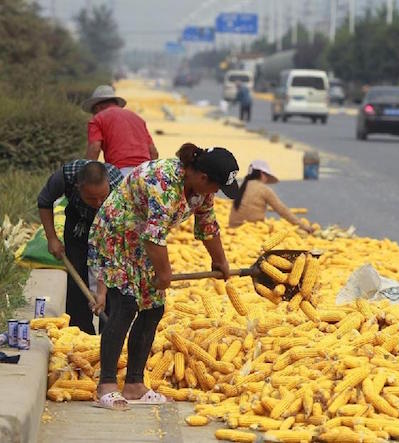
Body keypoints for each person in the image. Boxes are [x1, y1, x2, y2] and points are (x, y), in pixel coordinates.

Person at [88, 143, 239, 410]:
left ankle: (134, 383)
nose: (216, 193)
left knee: (153, 308)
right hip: (117, 234)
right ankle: (106, 384)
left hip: (144, 242)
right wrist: (164, 273)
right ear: (203, 177)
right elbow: (153, 235)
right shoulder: (164, 182)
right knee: (125, 305)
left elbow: (207, 226)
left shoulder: (201, 192)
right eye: (216, 187)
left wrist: (221, 261)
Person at [37, 160, 123, 335]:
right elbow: (44, 201)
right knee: (77, 278)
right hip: (79, 223)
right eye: (92, 198)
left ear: (108, 184)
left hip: (110, 228)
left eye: (102, 196)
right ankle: (80, 333)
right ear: (78, 187)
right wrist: (52, 238)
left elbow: (110, 250)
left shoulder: (120, 189)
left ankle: (109, 335)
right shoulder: (65, 176)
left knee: (113, 283)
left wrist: (101, 291)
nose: (98, 202)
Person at [82, 85, 159, 175]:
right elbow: (153, 153)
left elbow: (94, 148)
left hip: (120, 171)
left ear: (97, 107)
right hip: (145, 171)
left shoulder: (97, 119)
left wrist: (86, 173)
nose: (93, 115)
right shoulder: (137, 118)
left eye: (93, 112)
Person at [229, 160, 314, 233]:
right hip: (253, 229)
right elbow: (282, 210)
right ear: (262, 174)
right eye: (267, 176)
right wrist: (303, 226)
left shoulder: (241, 186)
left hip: (233, 229)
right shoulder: (264, 189)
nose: (267, 179)